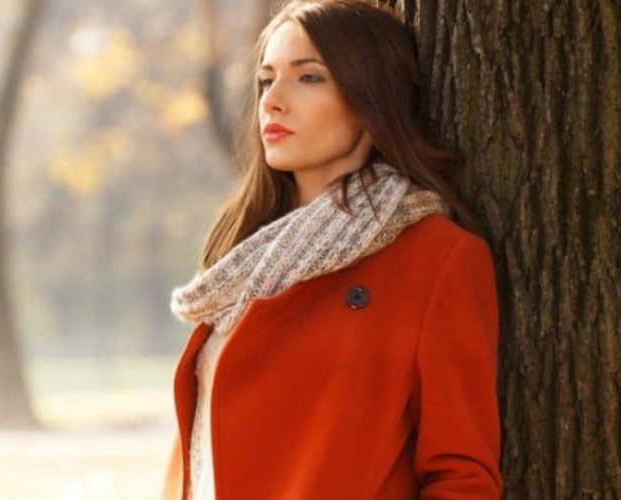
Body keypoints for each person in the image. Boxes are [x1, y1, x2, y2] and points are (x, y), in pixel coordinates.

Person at [162, 0, 502, 499]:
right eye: (266, 79)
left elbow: (462, 477)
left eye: (309, 78)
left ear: (371, 96)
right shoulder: (241, 259)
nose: (272, 101)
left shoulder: (437, 260)